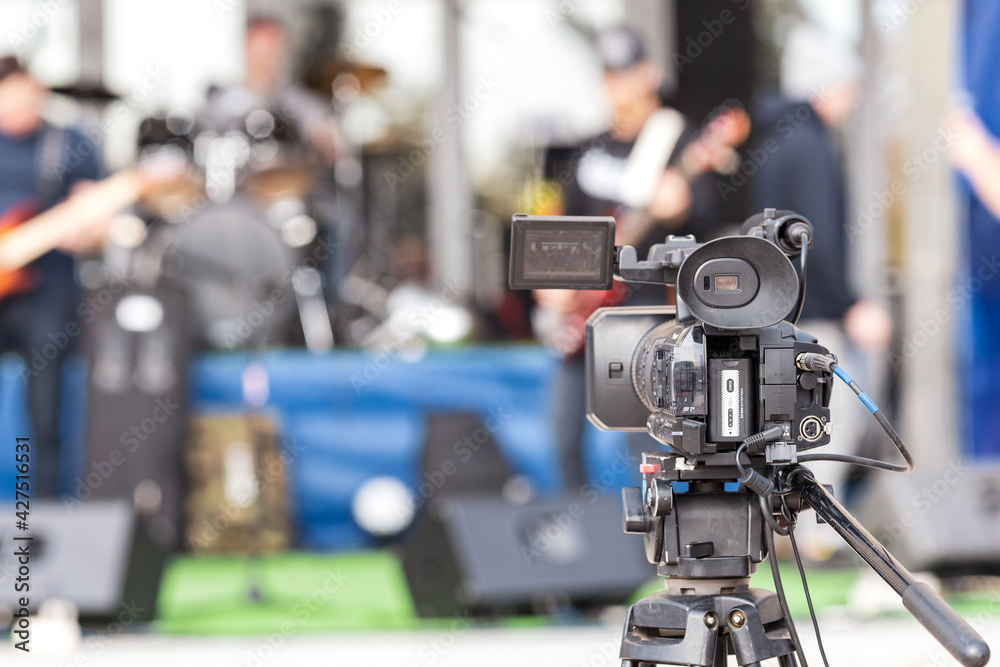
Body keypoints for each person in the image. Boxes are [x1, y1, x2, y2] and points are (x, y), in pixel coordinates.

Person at [537, 28, 732, 490]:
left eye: (627, 73)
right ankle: (583, 541)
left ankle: (655, 537)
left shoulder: (676, 139)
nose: (619, 85)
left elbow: (709, 222)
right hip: (584, 314)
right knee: (561, 432)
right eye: (610, 75)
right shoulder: (588, 149)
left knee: (642, 438)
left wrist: (681, 202)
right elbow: (564, 224)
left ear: (648, 74)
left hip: (643, 311)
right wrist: (553, 283)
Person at [748, 24, 893, 532]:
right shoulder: (810, 145)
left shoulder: (773, 140)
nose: (852, 100)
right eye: (849, 88)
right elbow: (819, 239)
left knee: (780, 426)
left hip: (780, 311)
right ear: (825, 87)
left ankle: (785, 531)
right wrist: (853, 304)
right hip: (818, 315)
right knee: (828, 424)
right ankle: (815, 538)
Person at [0, 57, 106, 498]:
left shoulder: (69, 145)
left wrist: (88, 232)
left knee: (44, 415)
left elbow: (96, 224)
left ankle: (39, 519)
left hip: (48, 295)